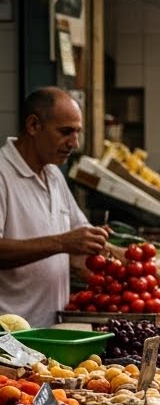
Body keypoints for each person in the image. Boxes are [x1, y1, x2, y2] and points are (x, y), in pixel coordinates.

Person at [0, 88, 109, 327]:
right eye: (66, 132)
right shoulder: (2, 174)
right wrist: (62, 243)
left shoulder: (53, 174)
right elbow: (68, 240)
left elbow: (80, 237)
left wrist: (118, 255)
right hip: (10, 340)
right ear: (33, 126)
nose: (75, 143)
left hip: (52, 331)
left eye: (77, 133)